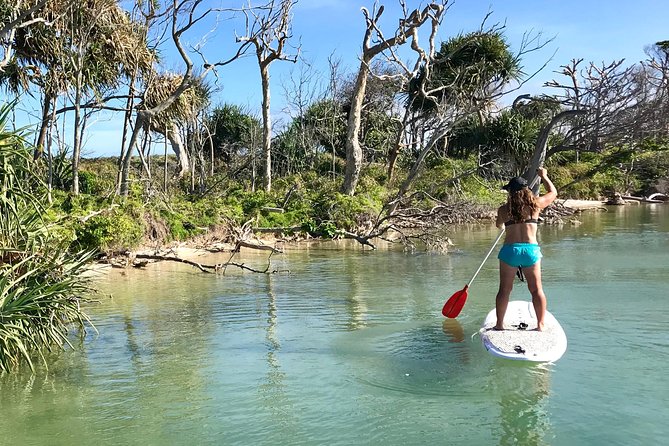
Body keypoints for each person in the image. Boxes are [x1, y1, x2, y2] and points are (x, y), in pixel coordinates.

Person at [494, 168, 557, 331]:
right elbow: (553, 192)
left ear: (510, 192)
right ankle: (540, 325)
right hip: (531, 251)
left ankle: (499, 325)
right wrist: (544, 176)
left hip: (510, 251)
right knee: (536, 290)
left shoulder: (503, 209)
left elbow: (498, 225)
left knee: (504, 290)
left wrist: (503, 224)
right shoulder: (536, 205)